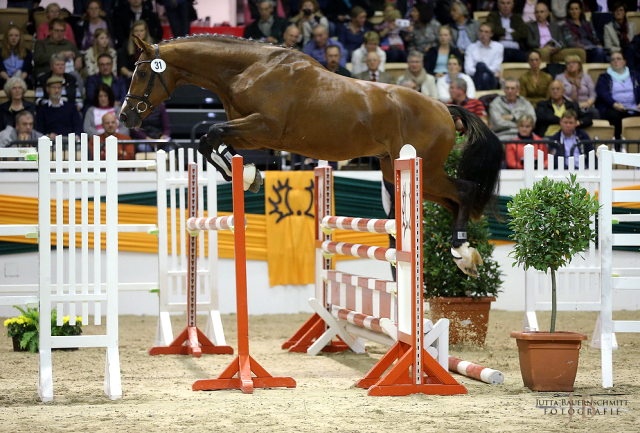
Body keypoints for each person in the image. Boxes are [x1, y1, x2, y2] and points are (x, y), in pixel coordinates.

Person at [596, 51, 640, 139]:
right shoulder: (604, 77)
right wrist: (614, 104)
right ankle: (618, 144)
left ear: (624, 62)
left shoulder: (635, 75)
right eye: (613, 60)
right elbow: (603, 93)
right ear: (610, 63)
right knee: (614, 116)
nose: (615, 61)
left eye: (618, 59)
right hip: (614, 108)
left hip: (635, 107)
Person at [555, 54, 599, 120]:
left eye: (573, 63)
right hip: (568, 106)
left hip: (586, 106)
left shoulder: (586, 77)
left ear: (579, 65)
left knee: (594, 112)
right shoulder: (560, 78)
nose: (571, 65)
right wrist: (575, 105)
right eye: (568, 63)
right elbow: (559, 94)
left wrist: (588, 103)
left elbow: (593, 94)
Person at [464, 23, 504, 90]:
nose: (483, 34)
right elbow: (468, 69)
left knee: (485, 74)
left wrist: (484, 71)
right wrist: (480, 72)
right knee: (480, 67)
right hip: (474, 78)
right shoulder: (471, 47)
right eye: (481, 31)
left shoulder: (498, 47)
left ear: (491, 34)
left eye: (486, 32)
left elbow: (496, 67)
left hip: (491, 78)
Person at [604, 2, 637, 67]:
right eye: (616, 10)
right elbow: (608, 47)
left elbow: (635, 43)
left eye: (621, 10)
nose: (618, 12)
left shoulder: (632, 26)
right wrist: (621, 50)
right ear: (613, 13)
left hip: (632, 52)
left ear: (625, 13)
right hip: (617, 53)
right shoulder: (608, 27)